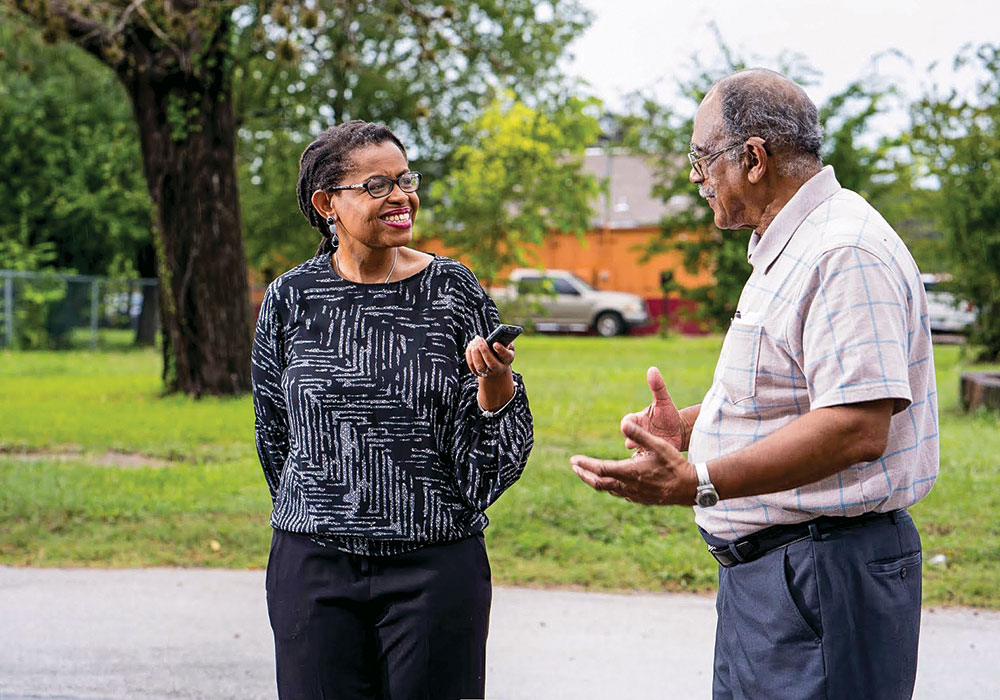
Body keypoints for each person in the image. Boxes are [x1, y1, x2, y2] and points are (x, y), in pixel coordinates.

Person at [571, 69, 937, 700]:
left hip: (823, 570)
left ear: (753, 159)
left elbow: (856, 426)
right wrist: (690, 427)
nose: (695, 177)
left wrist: (701, 481)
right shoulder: (790, 242)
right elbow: (791, 393)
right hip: (776, 573)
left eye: (701, 159)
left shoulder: (842, 250)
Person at [251, 120, 533, 700]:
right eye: (377, 186)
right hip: (313, 570)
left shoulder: (453, 291)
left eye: (406, 180)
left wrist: (496, 385)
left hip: (434, 568)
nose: (402, 196)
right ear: (327, 203)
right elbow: (273, 433)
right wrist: (324, 512)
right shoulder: (289, 298)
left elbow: (493, 460)